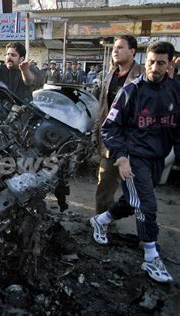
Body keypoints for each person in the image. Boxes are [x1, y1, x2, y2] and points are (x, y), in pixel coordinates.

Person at [90, 41, 179, 283]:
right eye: (151, 61)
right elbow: (109, 127)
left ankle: (99, 220)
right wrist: (120, 157)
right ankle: (151, 257)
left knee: (132, 201)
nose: (154, 67)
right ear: (145, 59)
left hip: (158, 158)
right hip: (133, 157)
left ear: (170, 63)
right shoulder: (131, 91)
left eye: (161, 63)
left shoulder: (176, 91)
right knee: (146, 204)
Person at [93, 35, 144, 214]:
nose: (115, 50)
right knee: (104, 187)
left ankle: (145, 234)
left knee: (139, 191)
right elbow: (102, 108)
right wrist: (96, 133)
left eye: (120, 47)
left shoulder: (143, 75)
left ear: (132, 51)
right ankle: (101, 224)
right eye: (114, 47)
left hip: (136, 143)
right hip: (111, 142)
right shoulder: (110, 75)